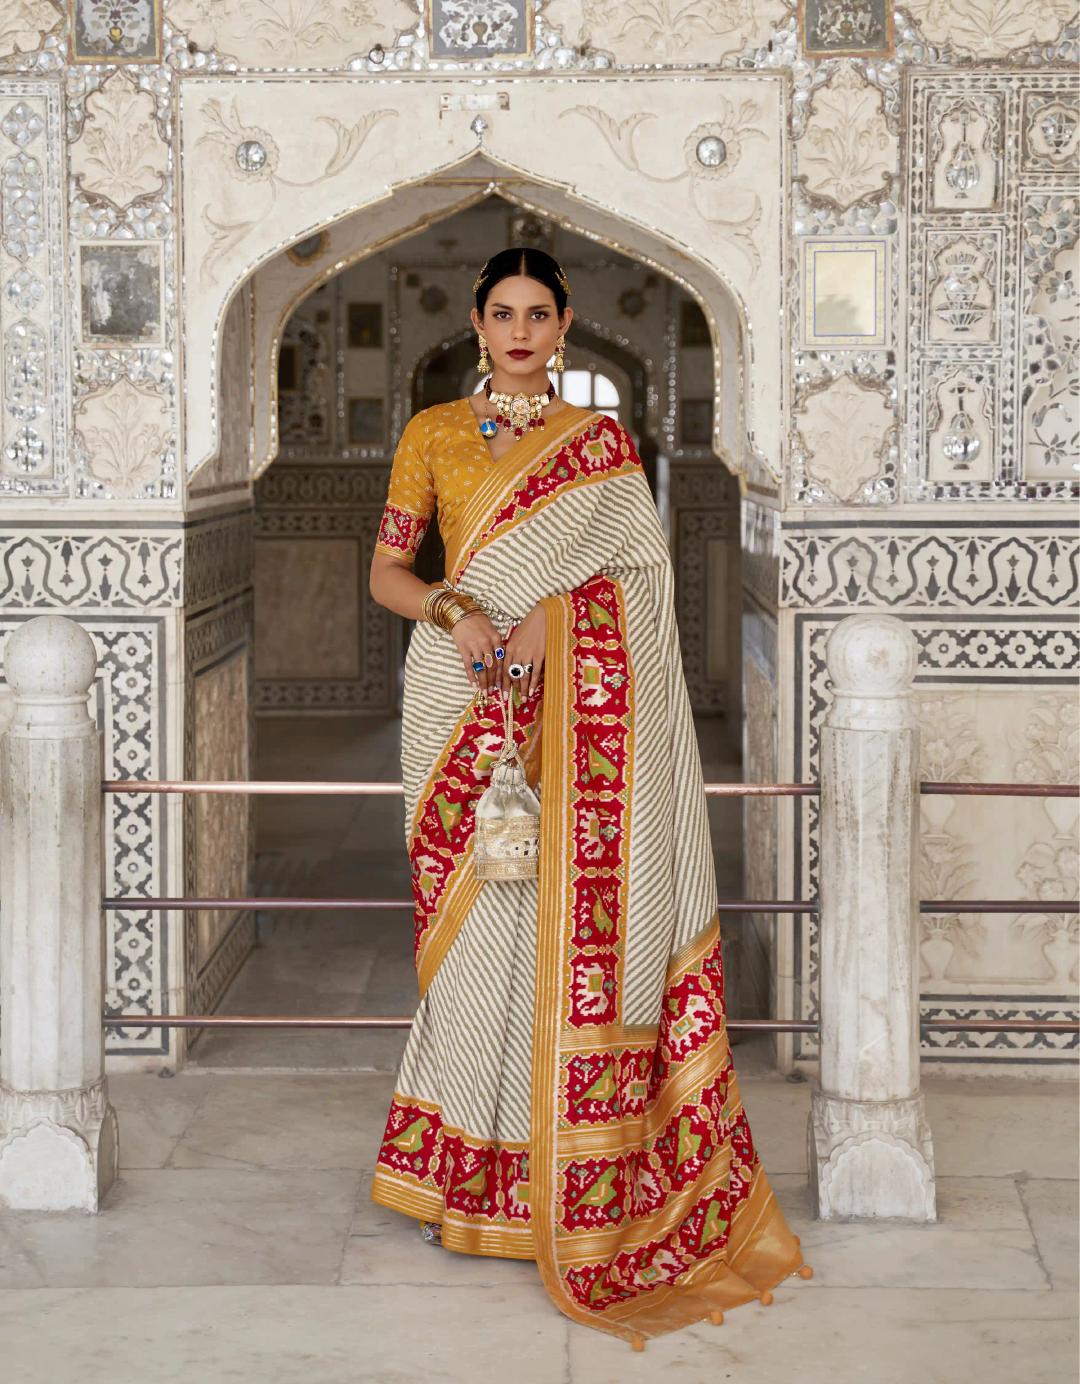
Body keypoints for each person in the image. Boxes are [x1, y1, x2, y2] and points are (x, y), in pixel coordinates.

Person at [367, 247, 810, 1347]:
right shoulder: (430, 433)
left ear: (565, 327)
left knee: (561, 931)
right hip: (456, 703)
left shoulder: (601, 445)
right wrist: (455, 615)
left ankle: (558, 1179)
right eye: (502, 312)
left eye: (539, 315)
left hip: (575, 712)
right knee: (472, 939)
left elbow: (638, 577)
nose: (519, 330)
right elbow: (385, 573)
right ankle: (463, 1176)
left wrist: (552, 620)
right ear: (477, 322)